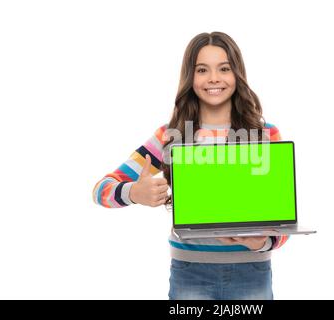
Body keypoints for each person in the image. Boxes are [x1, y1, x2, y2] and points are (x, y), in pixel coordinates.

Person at [92, 31, 289, 300]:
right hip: (190, 274)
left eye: (224, 68)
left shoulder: (264, 135)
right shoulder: (169, 136)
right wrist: (134, 193)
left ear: (237, 74)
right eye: (202, 70)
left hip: (252, 274)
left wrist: (264, 242)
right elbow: (101, 190)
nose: (214, 79)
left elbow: (283, 216)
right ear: (190, 77)